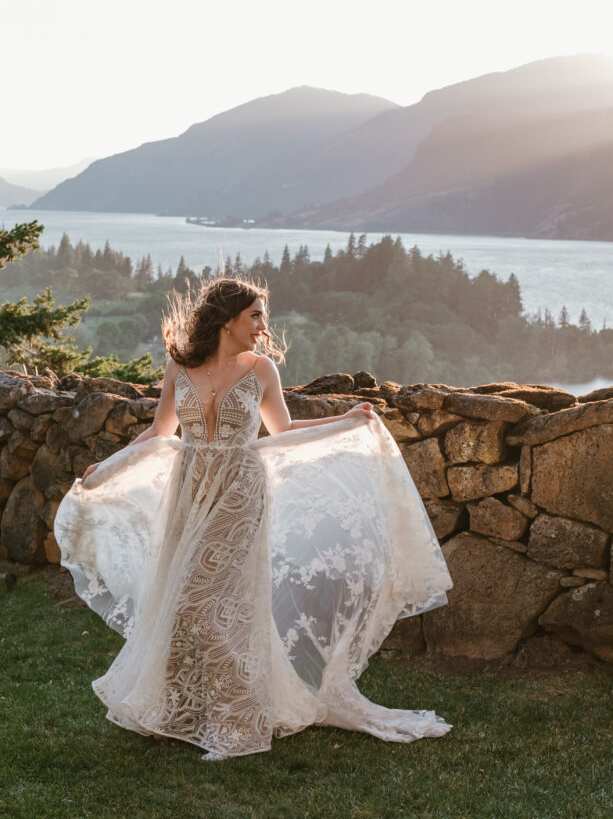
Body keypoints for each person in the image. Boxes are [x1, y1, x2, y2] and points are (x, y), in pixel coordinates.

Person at [55, 275, 453, 761]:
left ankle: (236, 725)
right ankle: (175, 711)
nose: (264, 326)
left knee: (212, 600)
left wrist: (344, 421)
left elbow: (281, 430)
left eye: (263, 315)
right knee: (182, 601)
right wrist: (110, 465)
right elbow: (160, 430)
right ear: (227, 320)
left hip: (241, 490)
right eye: (255, 316)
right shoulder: (179, 366)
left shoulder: (261, 370)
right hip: (191, 487)